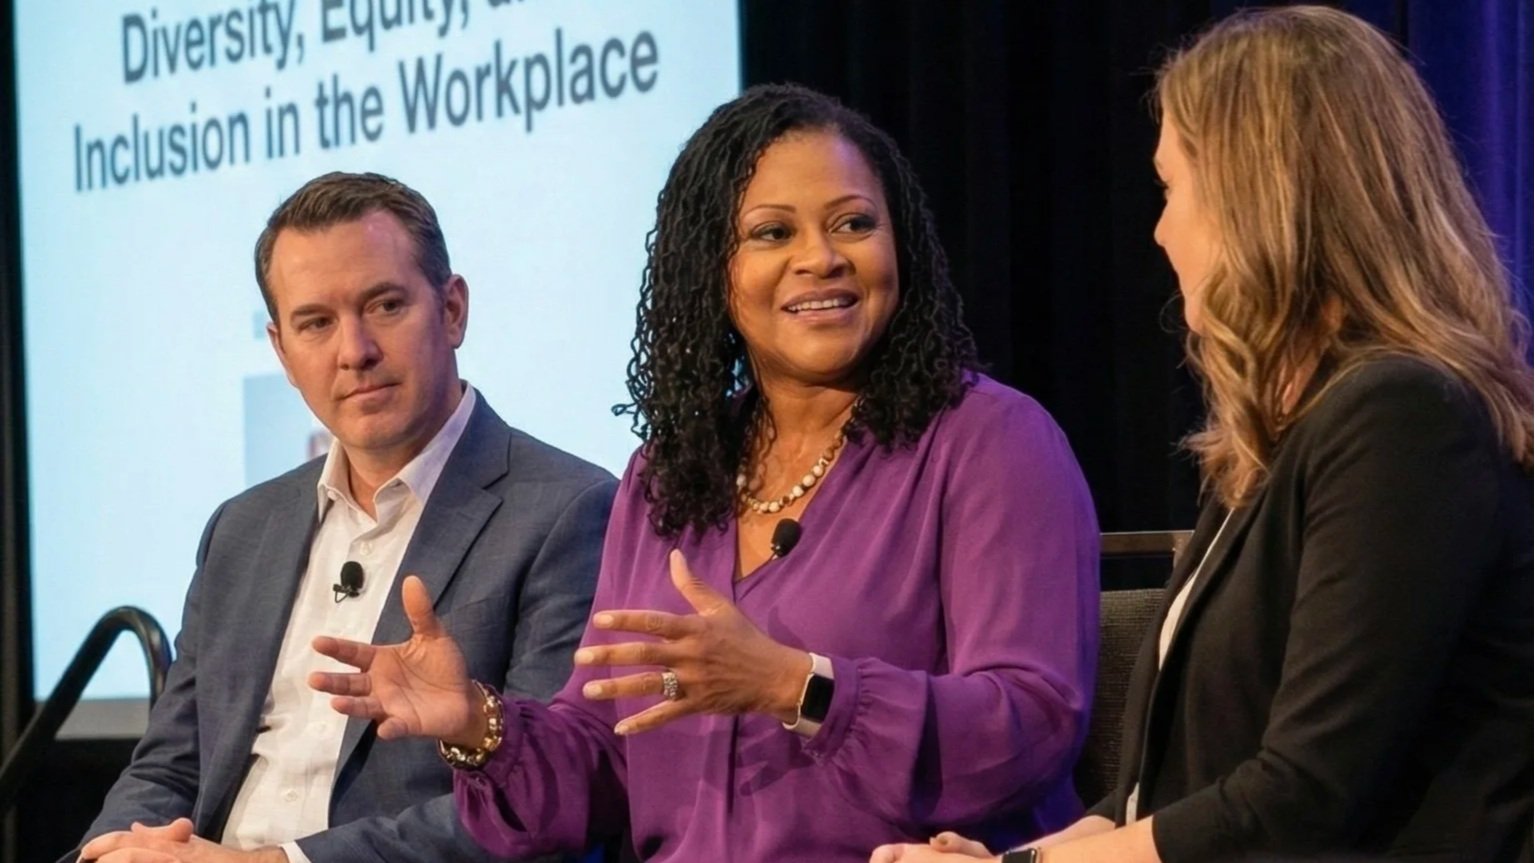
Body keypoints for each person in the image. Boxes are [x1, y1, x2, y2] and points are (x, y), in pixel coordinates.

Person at [308, 84, 1100, 861]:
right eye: (771, 233)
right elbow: (609, 761)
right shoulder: (668, 476)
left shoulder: (990, 442)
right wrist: (478, 723)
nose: (820, 258)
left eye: (853, 223)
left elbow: (1032, 724)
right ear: (711, 271)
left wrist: (801, 687)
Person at [871, 6, 1533, 863]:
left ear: (1257, 197)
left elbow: (1302, 796)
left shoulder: (1401, 418)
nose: (1157, 229)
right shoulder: (1272, 440)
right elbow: (1166, 788)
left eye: (1171, 187)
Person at [72, 172, 617, 862]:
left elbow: (549, 807)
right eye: (315, 323)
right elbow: (168, 766)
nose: (353, 351)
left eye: (385, 305)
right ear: (281, 352)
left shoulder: (568, 510)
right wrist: (112, 850)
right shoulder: (243, 528)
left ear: (452, 310)